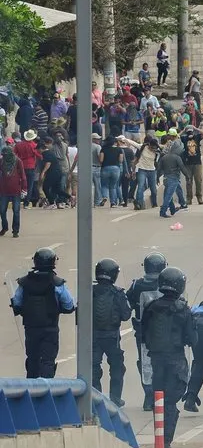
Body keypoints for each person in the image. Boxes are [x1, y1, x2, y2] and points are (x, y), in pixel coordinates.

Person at [141, 267, 196, 448]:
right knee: (170, 403)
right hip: (176, 359)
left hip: (156, 360)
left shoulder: (151, 307)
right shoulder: (183, 309)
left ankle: (159, 439)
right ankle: (165, 442)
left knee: (159, 400)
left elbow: (143, 334)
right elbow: (191, 339)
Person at [11, 248, 76, 378]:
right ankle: (47, 391)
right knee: (47, 361)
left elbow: (17, 302)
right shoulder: (58, 283)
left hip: (30, 328)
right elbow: (69, 305)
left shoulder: (24, 282)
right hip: (50, 329)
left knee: (32, 360)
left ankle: (30, 392)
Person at [126, 252, 168, 411]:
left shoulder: (137, 285)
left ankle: (150, 396)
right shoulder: (169, 282)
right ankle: (161, 395)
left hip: (143, 333)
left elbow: (127, 303)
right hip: (165, 332)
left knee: (145, 364)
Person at [91, 258, 131, 407]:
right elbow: (126, 315)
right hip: (112, 337)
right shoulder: (118, 293)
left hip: (93, 336)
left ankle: (96, 399)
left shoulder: (89, 291)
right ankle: (115, 399)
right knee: (117, 367)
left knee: (93, 368)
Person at [157, 140, 189, 218]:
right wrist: (187, 176)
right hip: (174, 177)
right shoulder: (177, 157)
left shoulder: (164, 157)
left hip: (166, 178)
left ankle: (172, 209)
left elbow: (159, 168)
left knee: (169, 193)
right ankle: (163, 212)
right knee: (168, 196)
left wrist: (157, 178)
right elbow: (182, 168)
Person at [0, 145, 26, 237]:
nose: (4, 156)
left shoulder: (18, 161)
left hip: (16, 190)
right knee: (2, 210)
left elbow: (23, 176)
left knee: (16, 211)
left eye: (6, 154)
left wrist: (24, 189)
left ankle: (15, 231)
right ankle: (5, 227)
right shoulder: (1, 161)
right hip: (3, 190)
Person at [181, 125, 203, 205]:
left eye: (191, 131)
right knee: (189, 181)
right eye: (188, 131)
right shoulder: (184, 139)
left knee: (198, 180)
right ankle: (189, 198)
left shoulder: (197, 137)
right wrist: (184, 130)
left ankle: (199, 196)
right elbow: (177, 136)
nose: (190, 133)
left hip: (197, 162)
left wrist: (195, 128)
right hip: (188, 163)